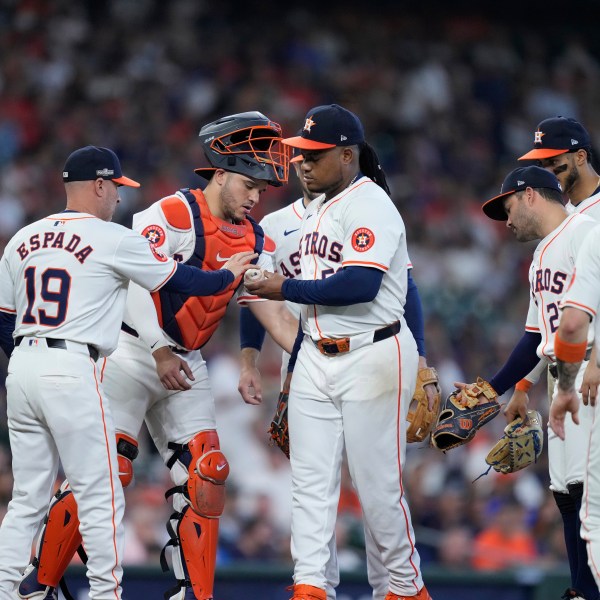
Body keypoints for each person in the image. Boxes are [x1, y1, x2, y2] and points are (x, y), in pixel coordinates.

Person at [15, 114, 296, 600]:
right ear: (221, 173)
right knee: (110, 469)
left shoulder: (258, 240)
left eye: (262, 191)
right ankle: (38, 584)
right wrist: (161, 350)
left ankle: (196, 595)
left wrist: (263, 362)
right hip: (130, 350)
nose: (255, 198)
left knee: (209, 473)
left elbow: (261, 305)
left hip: (190, 359)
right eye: (250, 185)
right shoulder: (169, 214)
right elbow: (134, 288)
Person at [246, 103, 432, 600]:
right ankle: (310, 587)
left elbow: (362, 283)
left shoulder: (371, 203)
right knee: (308, 486)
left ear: (347, 155)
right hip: (314, 355)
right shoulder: (310, 212)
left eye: (315, 154)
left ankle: (405, 588)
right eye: (299, 153)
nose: (302, 162)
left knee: (377, 490)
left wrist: (281, 289)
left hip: (374, 353)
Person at [516, 116, 600, 600]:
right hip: (564, 368)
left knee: (591, 494)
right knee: (568, 490)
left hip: (589, 365)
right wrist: (525, 385)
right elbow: (547, 324)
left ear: (581, 157)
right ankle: (580, 588)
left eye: (555, 161)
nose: (548, 168)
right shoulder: (561, 225)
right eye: (541, 162)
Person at [549, 221, 600, 593]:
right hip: (573, 366)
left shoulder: (591, 230)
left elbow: (571, 323)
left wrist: (590, 365)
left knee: (589, 508)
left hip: (583, 369)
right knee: (572, 496)